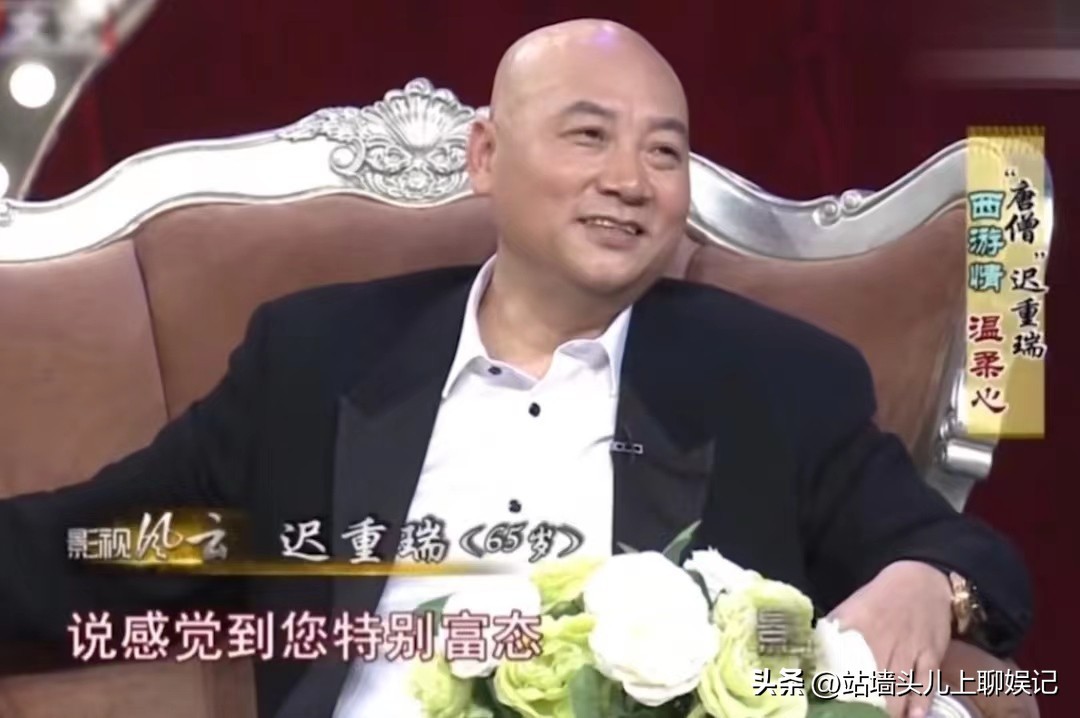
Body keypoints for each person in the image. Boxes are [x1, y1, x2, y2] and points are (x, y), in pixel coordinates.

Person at [0, 18, 1030, 718]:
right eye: (588, 136)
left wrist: (928, 585)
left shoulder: (772, 379)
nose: (629, 181)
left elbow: (964, 553)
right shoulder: (317, 359)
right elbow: (104, 544)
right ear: (487, 156)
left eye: (665, 153)